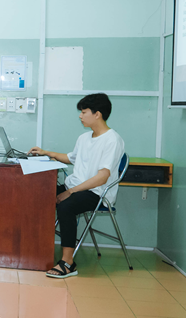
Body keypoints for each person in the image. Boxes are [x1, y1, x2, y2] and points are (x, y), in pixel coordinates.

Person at [29, 93, 125, 279]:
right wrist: (45, 152)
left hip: (96, 193)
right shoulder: (84, 138)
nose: (80, 116)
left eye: (84, 112)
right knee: (39, 194)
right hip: (75, 187)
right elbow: (70, 158)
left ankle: (68, 263)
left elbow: (102, 177)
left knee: (66, 206)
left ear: (97, 114)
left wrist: (71, 192)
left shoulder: (113, 140)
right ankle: (36, 249)